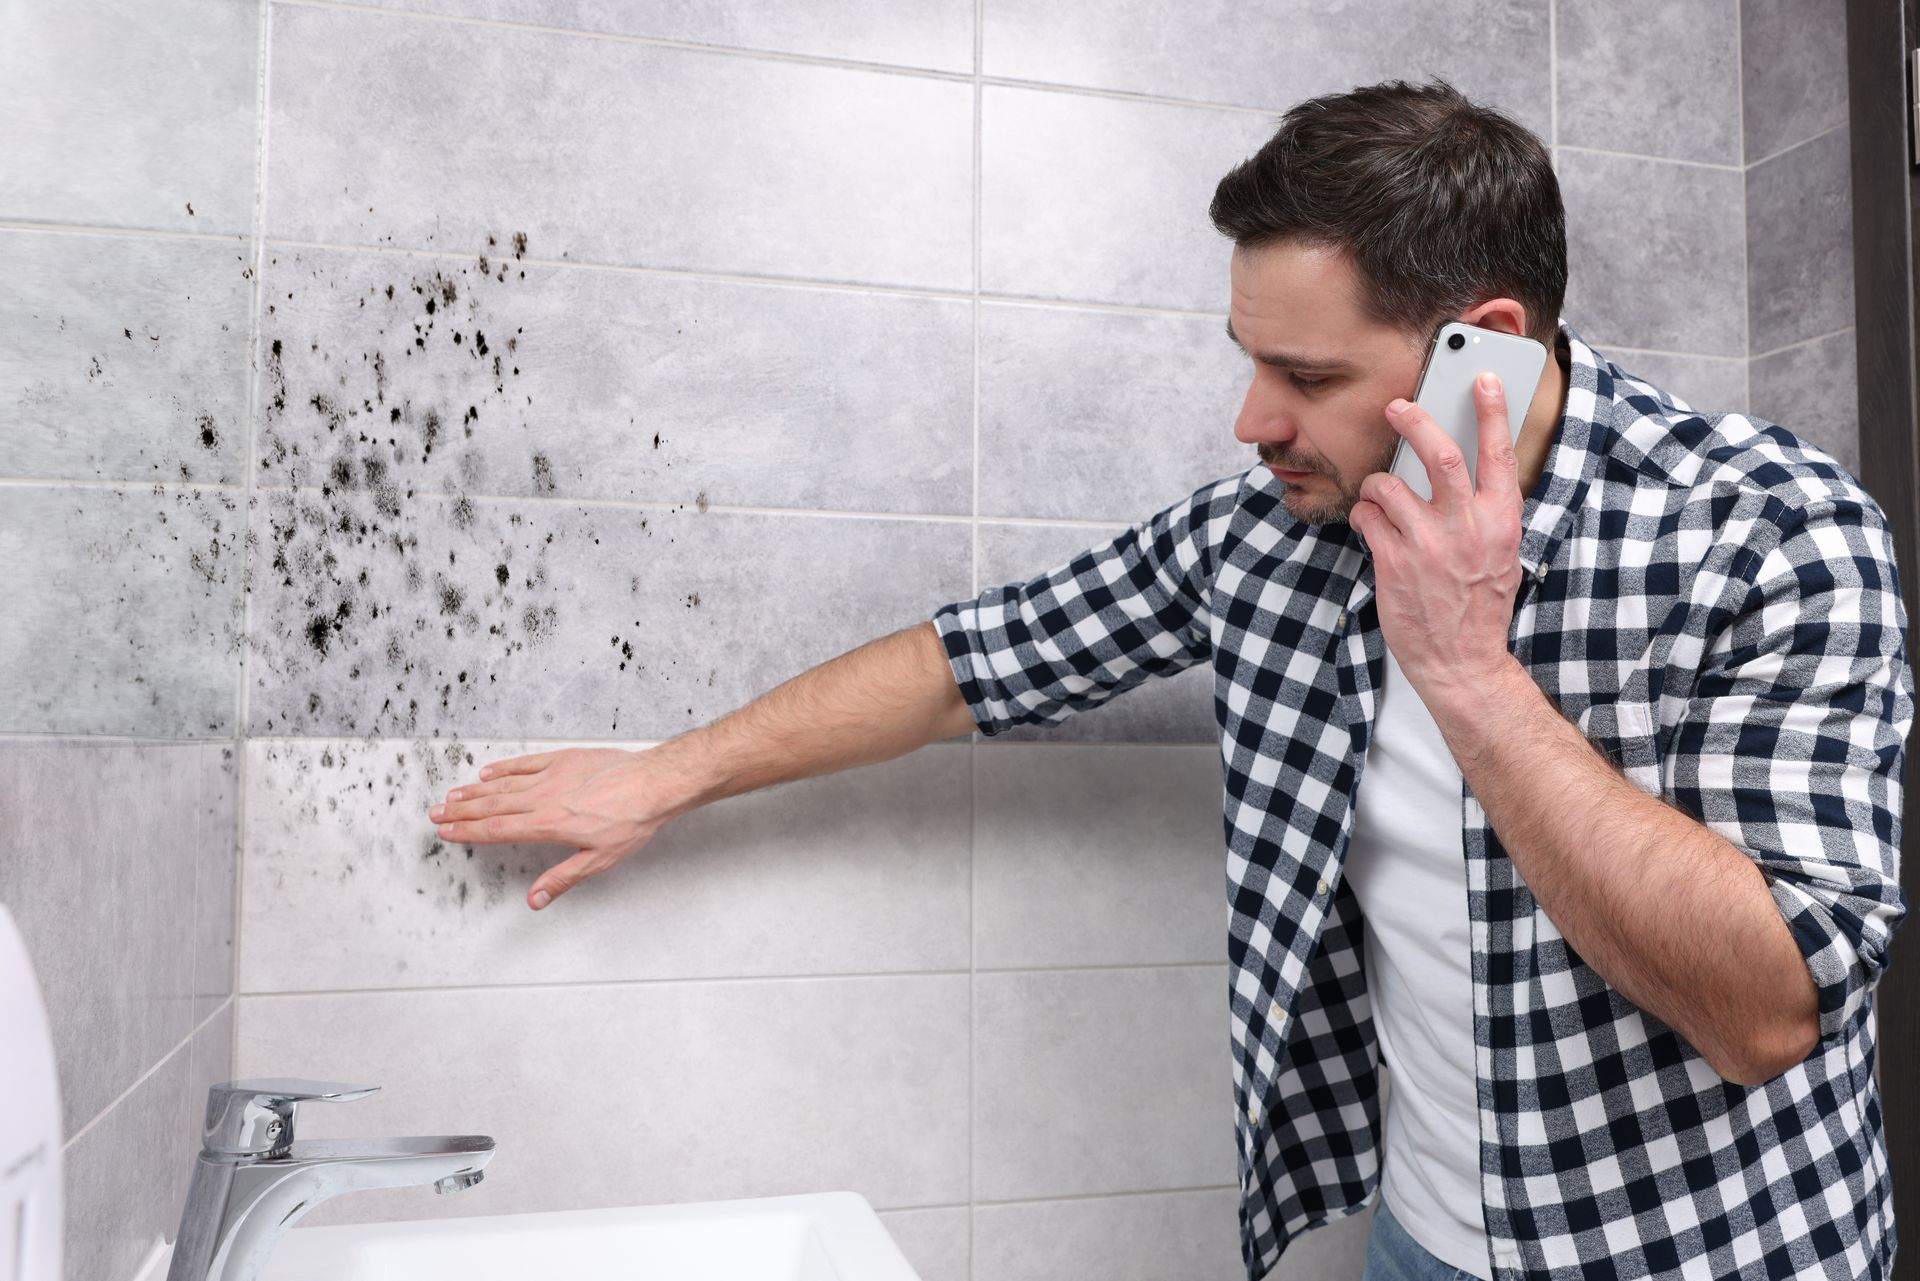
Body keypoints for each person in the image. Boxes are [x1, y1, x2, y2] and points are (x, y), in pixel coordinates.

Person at [426, 78, 1909, 1281]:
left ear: (1489, 351)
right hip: (1425, 1246)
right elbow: (963, 666)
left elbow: (1767, 1007)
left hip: (1718, 1255)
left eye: (1309, 378)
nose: (1254, 421)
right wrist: (663, 775)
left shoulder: (1770, 532)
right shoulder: (1264, 536)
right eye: (1250, 358)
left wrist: (1467, 671)